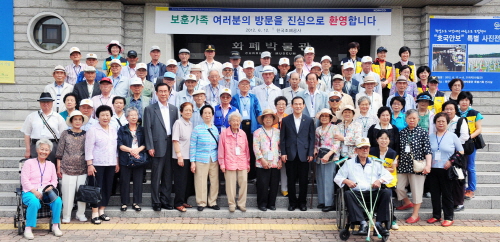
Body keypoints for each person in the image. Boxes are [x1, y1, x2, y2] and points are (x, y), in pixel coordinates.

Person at [334, 137, 393, 236]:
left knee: (386, 192)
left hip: (373, 192)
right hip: (357, 193)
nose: (365, 150)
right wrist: (346, 181)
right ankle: (362, 223)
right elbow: (337, 177)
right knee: (347, 194)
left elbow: (388, 176)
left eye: (367, 148)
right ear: (356, 150)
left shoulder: (376, 163)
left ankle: (378, 224)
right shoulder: (349, 163)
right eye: (362, 148)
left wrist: (380, 180)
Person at [143, 83, 179, 211]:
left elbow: (176, 129)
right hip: (157, 146)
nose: (163, 94)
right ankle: (156, 201)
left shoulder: (174, 109)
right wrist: (150, 146)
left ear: (169, 92)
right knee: (156, 175)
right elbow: (147, 129)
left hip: (171, 145)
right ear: (156, 93)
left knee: (168, 176)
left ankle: (165, 200)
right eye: (161, 91)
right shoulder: (150, 109)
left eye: (166, 91)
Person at [395, 109, 432, 224]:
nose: (411, 120)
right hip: (403, 165)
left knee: (417, 190)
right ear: (406, 119)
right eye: (409, 118)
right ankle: (407, 202)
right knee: (398, 187)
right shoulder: (402, 132)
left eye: (414, 118)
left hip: (417, 165)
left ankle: (415, 214)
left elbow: (427, 150)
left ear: (418, 119)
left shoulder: (422, 132)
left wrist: (428, 165)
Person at [427, 112, 464, 227]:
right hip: (433, 169)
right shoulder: (430, 136)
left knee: (447, 194)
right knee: (435, 194)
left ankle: (449, 217)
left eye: (443, 121)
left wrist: (451, 161)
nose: (441, 123)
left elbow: (461, 151)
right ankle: (436, 215)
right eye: (438, 121)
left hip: (446, 169)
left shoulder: (453, 136)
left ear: (447, 123)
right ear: (435, 123)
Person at [21, 139, 63, 239]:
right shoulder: (29, 163)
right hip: (30, 191)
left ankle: (55, 226)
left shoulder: (51, 165)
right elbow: (24, 180)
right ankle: (28, 228)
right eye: (42, 149)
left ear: (49, 152)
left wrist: (50, 187)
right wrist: (34, 191)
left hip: (46, 192)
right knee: (34, 202)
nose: (44, 152)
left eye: (46, 150)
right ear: (37, 150)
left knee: (58, 200)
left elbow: (54, 180)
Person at [280, 97, 315, 211]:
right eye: (296, 104)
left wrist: (310, 152)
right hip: (290, 153)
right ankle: (292, 202)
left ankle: (302, 203)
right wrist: (283, 152)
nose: (298, 106)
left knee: (303, 180)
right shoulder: (286, 120)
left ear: (304, 106)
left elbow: (311, 138)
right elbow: (283, 138)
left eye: (300, 104)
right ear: (292, 105)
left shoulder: (309, 120)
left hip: (304, 154)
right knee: (291, 179)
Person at [85, 105, 118, 224]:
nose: (105, 117)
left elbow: (115, 148)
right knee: (96, 188)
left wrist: (117, 162)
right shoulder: (93, 130)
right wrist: (89, 164)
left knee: (107, 187)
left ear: (111, 116)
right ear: (97, 116)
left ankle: (102, 211)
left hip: (111, 163)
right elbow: (88, 148)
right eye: (102, 115)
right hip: (97, 164)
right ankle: (94, 212)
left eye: (107, 115)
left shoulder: (114, 129)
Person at [56, 111, 88, 223]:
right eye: (75, 119)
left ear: (82, 121)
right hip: (67, 168)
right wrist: (58, 167)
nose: (78, 121)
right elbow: (60, 151)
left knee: (82, 193)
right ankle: (66, 215)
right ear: (71, 121)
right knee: (67, 193)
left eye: (80, 119)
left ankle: (80, 214)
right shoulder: (65, 133)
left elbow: (88, 151)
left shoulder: (86, 134)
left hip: (82, 168)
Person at [230, 78, 262, 181]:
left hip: (251, 125)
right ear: (238, 86)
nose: (244, 86)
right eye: (242, 84)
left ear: (249, 86)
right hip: (239, 125)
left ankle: (252, 175)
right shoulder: (234, 98)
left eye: (247, 84)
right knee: (240, 149)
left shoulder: (253, 97)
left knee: (252, 150)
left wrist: (258, 126)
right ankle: (239, 173)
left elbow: (258, 112)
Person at [190, 105, 220, 211]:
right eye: (205, 113)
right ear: (201, 115)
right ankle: (201, 202)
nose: (207, 115)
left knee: (214, 181)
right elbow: (192, 146)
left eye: (209, 113)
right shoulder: (197, 129)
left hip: (214, 159)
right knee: (200, 181)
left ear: (212, 115)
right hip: (201, 159)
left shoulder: (215, 129)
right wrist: (192, 162)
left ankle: (212, 202)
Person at [21, 93, 67, 164]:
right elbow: (27, 134)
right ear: (40, 103)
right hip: (36, 146)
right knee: (35, 169)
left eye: (48, 102)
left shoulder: (58, 117)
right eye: (43, 102)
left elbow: (63, 136)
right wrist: (28, 150)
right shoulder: (31, 116)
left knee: (51, 168)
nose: (46, 104)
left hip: (53, 146)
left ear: (52, 103)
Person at [219, 112, 250, 212]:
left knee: (244, 183)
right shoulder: (224, 133)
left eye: (238, 120)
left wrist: (248, 163)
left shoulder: (243, 133)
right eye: (234, 120)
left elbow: (246, 149)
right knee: (230, 185)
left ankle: (241, 203)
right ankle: (231, 204)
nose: (236, 122)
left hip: (242, 162)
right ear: (229, 122)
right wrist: (222, 163)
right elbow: (221, 149)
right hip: (229, 162)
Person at [368, 130, 399, 230]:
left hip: (387, 180)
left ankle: (392, 218)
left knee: (387, 195)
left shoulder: (393, 153)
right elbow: (369, 167)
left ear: (389, 140)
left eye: (386, 138)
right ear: (377, 140)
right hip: (373, 178)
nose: (383, 141)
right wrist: (386, 168)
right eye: (381, 138)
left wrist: (380, 168)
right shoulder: (371, 151)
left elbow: (392, 169)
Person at [442, 101, 470, 212]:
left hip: (458, 153)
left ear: (455, 110)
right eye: (446, 109)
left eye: (451, 109)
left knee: (458, 178)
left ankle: (459, 203)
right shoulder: (443, 121)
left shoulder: (460, 121)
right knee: (447, 178)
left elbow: (465, 136)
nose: (448, 111)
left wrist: (451, 143)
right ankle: (450, 202)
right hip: (446, 153)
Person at [117, 107, 146, 212]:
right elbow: (119, 144)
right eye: (131, 115)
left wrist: (137, 150)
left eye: (135, 115)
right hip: (126, 158)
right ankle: (124, 203)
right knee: (124, 181)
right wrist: (131, 150)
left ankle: (136, 202)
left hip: (139, 158)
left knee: (138, 181)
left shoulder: (142, 129)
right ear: (127, 117)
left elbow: (145, 144)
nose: (134, 117)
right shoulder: (122, 129)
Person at [253, 109, 282, 211]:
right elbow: (256, 147)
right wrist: (262, 160)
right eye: (266, 117)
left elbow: (280, 147)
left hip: (275, 162)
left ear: (273, 119)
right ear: (263, 119)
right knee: (262, 184)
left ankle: (271, 203)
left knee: (274, 184)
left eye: (270, 117)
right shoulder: (257, 132)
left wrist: (280, 159)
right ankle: (262, 204)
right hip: (262, 162)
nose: (268, 119)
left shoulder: (278, 132)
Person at [457, 91, 483, 200]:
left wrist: (469, 137)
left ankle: (471, 189)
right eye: (462, 99)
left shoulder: (475, 113)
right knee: (459, 166)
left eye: (467, 100)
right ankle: (460, 188)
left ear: (470, 102)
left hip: (471, 144)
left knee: (470, 167)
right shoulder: (455, 112)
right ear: (459, 101)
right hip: (457, 143)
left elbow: (479, 129)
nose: (464, 102)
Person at [314, 109, 340, 212]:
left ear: (330, 118)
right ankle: (322, 201)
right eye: (322, 116)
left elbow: (337, 144)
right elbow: (316, 143)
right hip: (320, 156)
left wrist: (329, 155)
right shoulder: (318, 129)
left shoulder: (334, 128)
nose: (324, 117)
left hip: (330, 157)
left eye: (326, 116)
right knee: (320, 179)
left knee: (328, 180)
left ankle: (329, 203)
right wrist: (315, 150)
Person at [172, 102, 195, 212]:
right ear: (181, 112)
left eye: (190, 110)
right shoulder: (178, 123)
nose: (188, 112)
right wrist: (179, 156)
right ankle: (178, 203)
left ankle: (184, 200)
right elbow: (175, 140)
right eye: (186, 110)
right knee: (180, 181)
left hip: (189, 156)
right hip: (180, 157)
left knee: (187, 182)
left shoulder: (190, 123)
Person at [273, 96, 288, 196]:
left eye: (283, 104)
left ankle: (284, 188)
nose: (281, 106)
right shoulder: (271, 117)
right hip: (272, 146)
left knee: (284, 168)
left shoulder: (289, 117)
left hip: (284, 145)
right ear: (275, 105)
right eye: (279, 104)